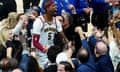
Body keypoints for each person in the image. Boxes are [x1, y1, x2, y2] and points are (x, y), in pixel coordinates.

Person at [32, 0, 67, 69]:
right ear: (47, 8)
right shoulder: (39, 21)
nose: (56, 8)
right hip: (40, 53)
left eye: (56, 6)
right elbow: (35, 42)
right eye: (53, 6)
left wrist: (67, 45)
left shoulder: (56, 21)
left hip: (52, 53)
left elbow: (63, 38)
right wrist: (45, 50)